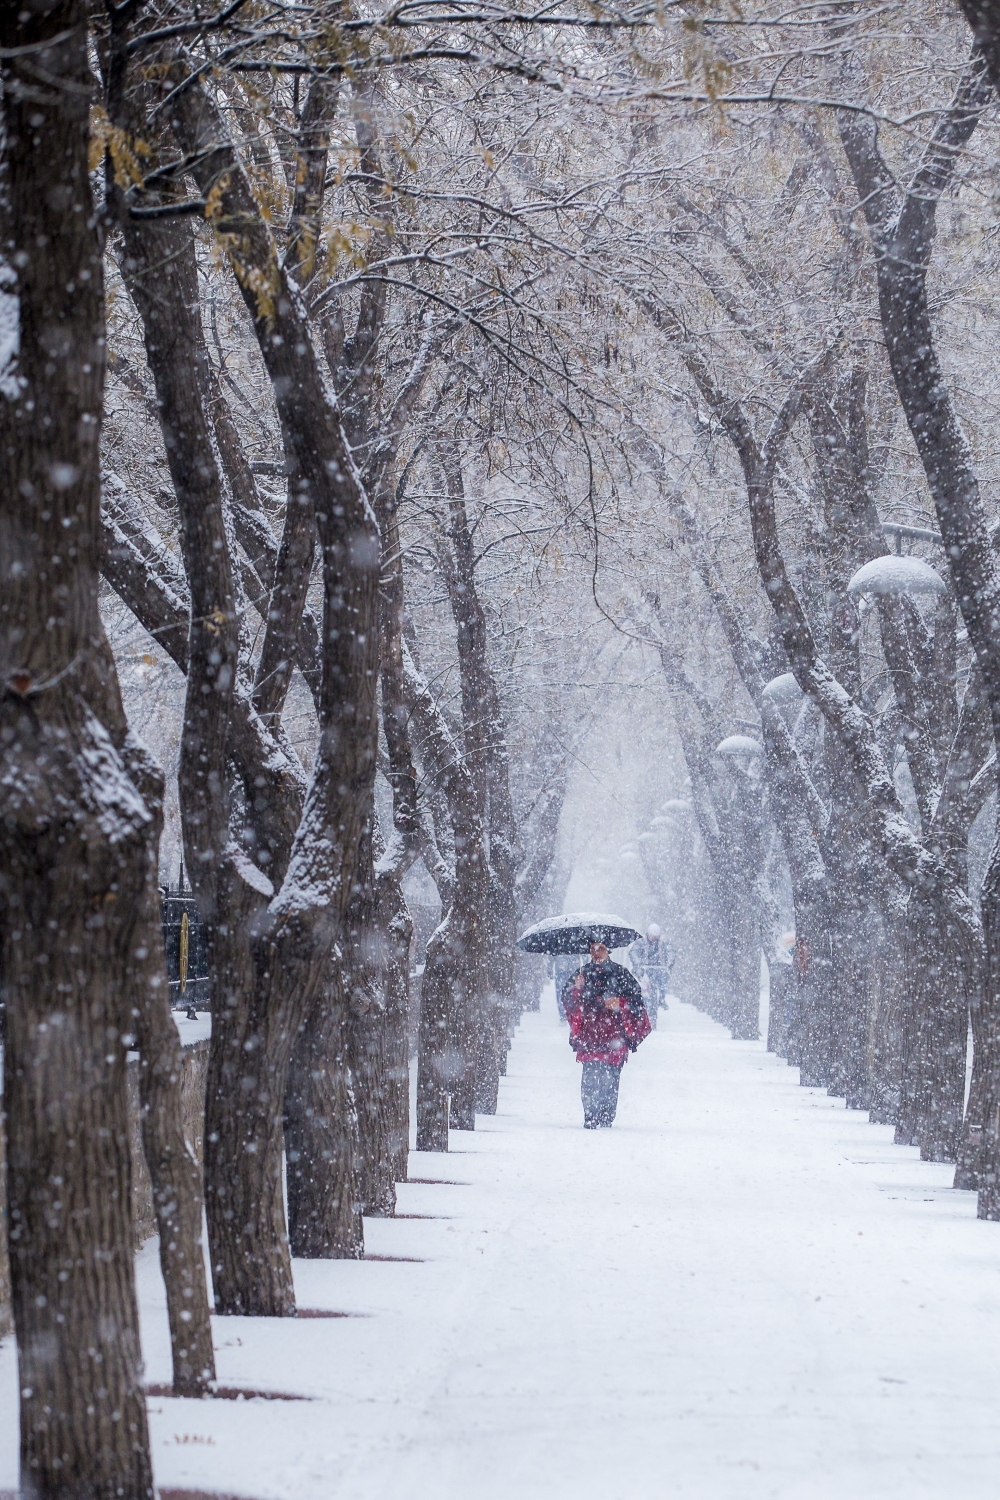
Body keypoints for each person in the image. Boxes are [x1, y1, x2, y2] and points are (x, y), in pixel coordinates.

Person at [562, 938, 651, 1128]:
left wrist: (621, 1003)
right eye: (592, 948)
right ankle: (590, 1115)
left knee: (611, 1077)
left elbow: (636, 1002)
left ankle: (606, 1115)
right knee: (590, 1078)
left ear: (607, 950)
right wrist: (577, 989)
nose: (596, 952)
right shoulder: (581, 974)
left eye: (600, 948)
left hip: (614, 1035)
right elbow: (568, 1001)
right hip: (590, 1034)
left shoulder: (621, 973)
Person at [628, 922, 676, 1029]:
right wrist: (638, 965)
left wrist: (668, 964)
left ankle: (662, 999)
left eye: (656, 937)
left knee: (663, 983)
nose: (653, 939)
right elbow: (633, 953)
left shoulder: (663, 943)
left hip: (658, 970)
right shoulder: (641, 942)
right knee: (640, 990)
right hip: (644, 970)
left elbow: (671, 952)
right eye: (652, 936)